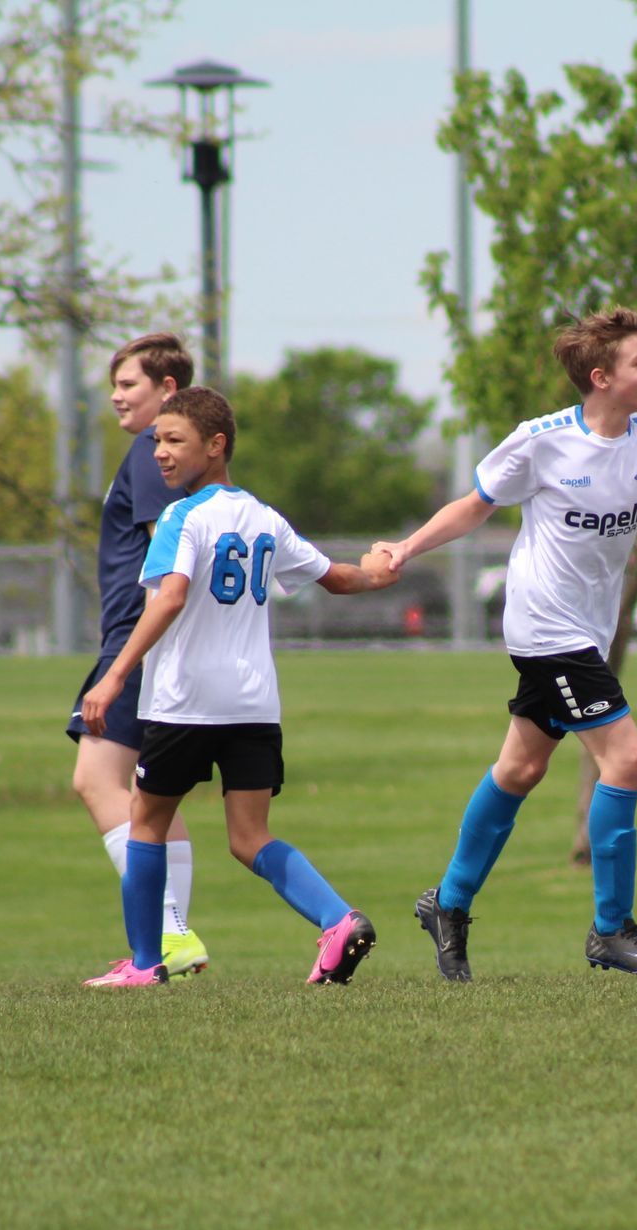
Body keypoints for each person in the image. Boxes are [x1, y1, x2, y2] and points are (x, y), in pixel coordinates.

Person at [372, 306, 637, 981]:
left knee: (521, 769)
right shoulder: (542, 440)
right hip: (543, 625)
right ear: (600, 377)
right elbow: (476, 502)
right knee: (629, 757)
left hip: (587, 629)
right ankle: (611, 930)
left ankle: (449, 902)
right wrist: (407, 548)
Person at [77, 386, 400, 987]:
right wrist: (380, 571)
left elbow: (169, 596)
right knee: (250, 836)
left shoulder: (181, 517)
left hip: (185, 702)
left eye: (175, 441)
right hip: (254, 705)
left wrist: (115, 675)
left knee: (145, 822)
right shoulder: (264, 517)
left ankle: (145, 965)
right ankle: (338, 920)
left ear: (216, 445)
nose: (161, 455)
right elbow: (337, 577)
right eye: (157, 443)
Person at [66, 333, 210, 978]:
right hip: (153, 640)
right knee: (153, 800)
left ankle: (168, 935)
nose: (117, 396)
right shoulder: (176, 458)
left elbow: (168, 551)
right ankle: (171, 939)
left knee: (96, 780)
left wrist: (130, 655)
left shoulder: (152, 453)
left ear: (167, 391)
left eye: (129, 384)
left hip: (137, 637)